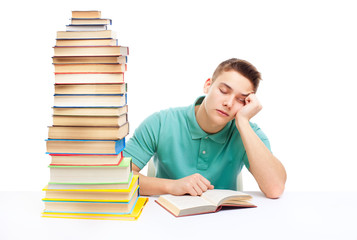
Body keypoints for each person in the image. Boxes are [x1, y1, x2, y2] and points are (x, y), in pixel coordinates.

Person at [123, 58, 287, 199]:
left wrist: (243, 122)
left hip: (224, 220)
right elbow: (118, 177)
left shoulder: (249, 133)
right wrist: (171, 186)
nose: (228, 103)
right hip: (167, 217)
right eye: (223, 91)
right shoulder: (160, 122)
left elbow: (275, 189)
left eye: (240, 100)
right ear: (208, 85)